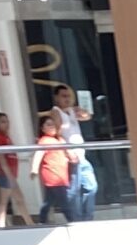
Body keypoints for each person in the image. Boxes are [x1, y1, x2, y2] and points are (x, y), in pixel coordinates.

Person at [52, 83, 99, 217]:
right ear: (56, 98)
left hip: (81, 155)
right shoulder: (56, 111)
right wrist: (67, 151)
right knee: (74, 190)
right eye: (63, 96)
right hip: (70, 157)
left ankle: (87, 217)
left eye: (68, 96)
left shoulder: (72, 110)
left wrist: (81, 110)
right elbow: (58, 134)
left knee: (91, 187)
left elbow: (87, 116)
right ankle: (76, 219)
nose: (67, 99)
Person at [0, 111, 30, 226]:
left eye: (7, 121)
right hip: (5, 174)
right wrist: (9, 176)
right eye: (3, 122)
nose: (7, 124)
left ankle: (29, 222)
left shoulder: (6, 137)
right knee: (4, 201)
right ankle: (2, 225)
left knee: (17, 199)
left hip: (10, 174)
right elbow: (1, 159)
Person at [32, 112, 72, 223]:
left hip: (61, 176)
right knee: (64, 202)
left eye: (53, 124)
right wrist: (34, 169)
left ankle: (42, 220)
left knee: (48, 201)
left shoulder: (58, 140)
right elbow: (38, 154)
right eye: (48, 125)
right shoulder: (44, 140)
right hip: (53, 176)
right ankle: (73, 221)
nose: (52, 127)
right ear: (42, 128)